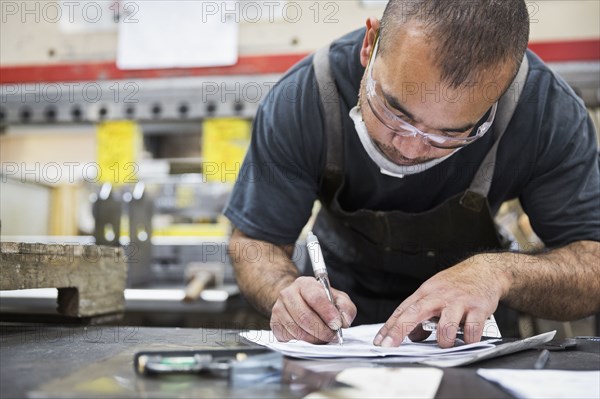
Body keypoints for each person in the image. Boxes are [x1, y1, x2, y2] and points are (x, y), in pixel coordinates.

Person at [224, 0, 600, 348]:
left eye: (450, 134)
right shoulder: (306, 95)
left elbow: (592, 262)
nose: (410, 149)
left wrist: (500, 273)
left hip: (464, 338)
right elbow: (256, 242)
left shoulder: (547, 113)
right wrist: (285, 292)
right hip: (340, 331)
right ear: (370, 45)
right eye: (394, 112)